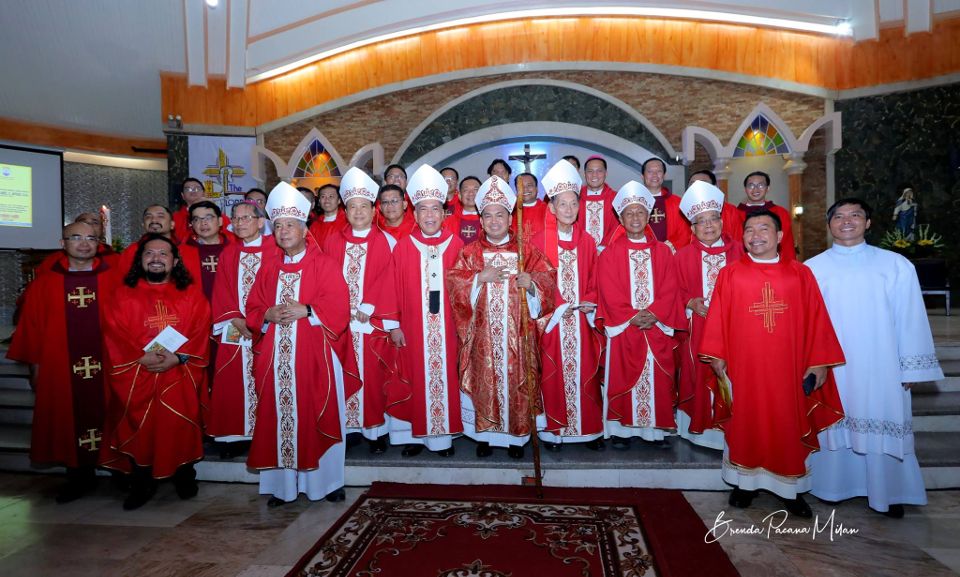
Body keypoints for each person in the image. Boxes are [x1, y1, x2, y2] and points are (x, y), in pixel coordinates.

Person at [698, 209, 845, 518]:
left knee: (785, 420)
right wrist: (718, 355)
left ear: (779, 236)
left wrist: (819, 363)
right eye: (749, 230)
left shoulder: (800, 273)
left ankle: (789, 490)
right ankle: (744, 484)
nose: (756, 235)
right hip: (744, 366)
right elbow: (718, 319)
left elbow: (817, 318)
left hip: (788, 368)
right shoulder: (731, 273)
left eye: (764, 229)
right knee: (746, 420)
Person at [807, 198, 943, 518]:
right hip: (835, 366)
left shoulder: (895, 264)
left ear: (868, 223)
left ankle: (888, 492)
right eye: (838, 216)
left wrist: (911, 364)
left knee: (879, 417)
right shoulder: (812, 269)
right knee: (835, 422)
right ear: (830, 225)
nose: (847, 221)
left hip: (881, 363)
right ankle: (832, 487)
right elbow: (807, 323)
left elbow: (910, 317)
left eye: (855, 215)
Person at [245, 182, 357, 506]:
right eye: (278, 226)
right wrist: (266, 313)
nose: (283, 231)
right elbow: (252, 310)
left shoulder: (324, 265)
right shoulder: (268, 269)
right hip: (276, 361)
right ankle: (283, 488)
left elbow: (339, 307)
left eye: (289, 225)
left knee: (319, 414)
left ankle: (329, 483)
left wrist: (307, 309)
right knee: (278, 417)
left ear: (304, 227)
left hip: (316, 358)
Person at [8, 222, 118, 503]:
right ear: (63, 242)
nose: (84, 243)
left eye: (91, 238)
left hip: (108, 365)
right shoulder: (44, 284)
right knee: (68, 419)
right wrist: (35, 367)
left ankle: (119, 473)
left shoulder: (114, 279)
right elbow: (32, 328)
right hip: (61, 367)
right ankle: (78, 477)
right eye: (76, 237)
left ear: (98, 243)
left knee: (113, 414)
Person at [448, 175, 557, 459]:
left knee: (517, 383)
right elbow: (455, 289)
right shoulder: (470, 253)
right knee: (484, 382)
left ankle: (516, 438)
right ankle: (484, 436)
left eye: (500, 215)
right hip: (481, 338)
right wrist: (477, 279)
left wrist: (531, 283)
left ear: (510, 219)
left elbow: (548, 282)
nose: (494, 221)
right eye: (488, 216)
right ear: (480, 221)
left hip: (517, 338)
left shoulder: (526, 251)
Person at [100, 234, 210, 510]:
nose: (157, 258)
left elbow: (200, 329)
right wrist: (140, 356)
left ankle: (185, 476)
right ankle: (142, 483)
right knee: (142, 428)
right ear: (140, 260)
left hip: (179, 372)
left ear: (174, 261)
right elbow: (113, 332)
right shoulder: (123, 294)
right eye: (150, 253)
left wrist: (178, 358)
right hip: (138, 373)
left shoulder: (191, 294)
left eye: (163, 254)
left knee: (180, 425)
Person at [596, 181, 684, 448]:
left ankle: (655, 430)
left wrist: (655, 314)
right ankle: (623, 430)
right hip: (625, 327)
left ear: (648, 216)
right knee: (623, 375)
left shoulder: (663, 252)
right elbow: (607, 289)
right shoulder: (610, 253)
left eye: (640, 213)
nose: (635, 218)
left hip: (656, 326)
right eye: (629, 213)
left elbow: (672, 287)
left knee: (657, 376)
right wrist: (631, 316)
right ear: (620, 218)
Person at [387, 164, 465, 457]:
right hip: (412, 326)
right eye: (423, 209)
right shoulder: (403, 247)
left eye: (436, 209)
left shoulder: (457, 245)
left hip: (447, 328)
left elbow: (466, 289)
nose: (430, 215)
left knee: (445, 377)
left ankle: (443, 438)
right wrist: (394, 324)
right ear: (414, 213)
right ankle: (412, 436)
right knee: (413, 375)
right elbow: (390, 288)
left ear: (444, 212)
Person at [324, 168, 400, 454]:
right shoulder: (333, 241)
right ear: (345, 210)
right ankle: (349, 428)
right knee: (342, 372)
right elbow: (324, 280)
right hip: (340, 323)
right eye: (352, 206)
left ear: (373, 209)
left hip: (372, 324)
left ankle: (375, 431)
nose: (358, 212)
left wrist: (369, 307)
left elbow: (391, 280)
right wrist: (339, 309)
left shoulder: (387, 242)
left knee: (374, 376)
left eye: (363, 206)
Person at [530, 160, 604, 451]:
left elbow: (594, 278)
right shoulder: (537, 241)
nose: (569, 209)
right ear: (551, 207)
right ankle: (554, 432)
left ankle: (588, 432)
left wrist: (591, 301)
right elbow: (535, 282)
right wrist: (559, 307)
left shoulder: (587, 241)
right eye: (563, 204)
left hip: (581, 322)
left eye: (574, 203)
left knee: (585, 372)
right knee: (552, 374)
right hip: (552, 321)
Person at [675, 180, 744, 450]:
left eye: (713, 219)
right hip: (697, 329)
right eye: (701, 221)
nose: (708, 226)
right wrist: (689, 302)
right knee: (697, 374)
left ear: (722, 221)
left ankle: (734, 428)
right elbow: (670, 292)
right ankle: (699, 430)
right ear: (692, 228)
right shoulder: (681, 256)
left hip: (735, 330)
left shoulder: (740, 252)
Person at [207, 201, 276, 457]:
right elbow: (222, 291)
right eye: (235, 218)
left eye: (246, 218)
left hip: (268, 327)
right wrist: (236, 319)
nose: (239, 223)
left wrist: (262, 320)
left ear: (260, 222)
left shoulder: (275, 250)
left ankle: (267, 432)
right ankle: (234, 436)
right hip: (236, 327)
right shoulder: (229, 253)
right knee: (233, 379)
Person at [119, 204, 202, 281]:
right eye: (148, 217)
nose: (154, 220)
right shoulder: (131, 251)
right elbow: (123, 283)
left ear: (172, 225)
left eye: (160, 216)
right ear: (143, 225)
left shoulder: (189, 252)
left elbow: (196, 284)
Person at [736, 171, 795, 260]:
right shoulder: (735, 214)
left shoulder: (780, 212)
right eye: (751, 185)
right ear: (745, 189)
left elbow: (786, 244)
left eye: (760, 185)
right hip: (741, 262)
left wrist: (788, 266)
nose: (755, 190)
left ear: (768, 188)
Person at [35, 212, 117, 275]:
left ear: (103, 229)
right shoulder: (54, 260)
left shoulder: (115, 258)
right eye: (83, 221)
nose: (88, 224)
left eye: (95, 222)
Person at [184, 200, 231, 300]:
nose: (203, 223)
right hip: (197, 310)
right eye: (196, 219)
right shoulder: (182, 252)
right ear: (191, 224)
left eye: (208, 218)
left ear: (220, 221)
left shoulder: (233, 249)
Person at [641, 157, 689, 250]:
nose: (655, 175)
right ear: (642, 176)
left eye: (659, 171)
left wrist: (671, 246)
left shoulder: (678, 203)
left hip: (670, 254)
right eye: (650, 171)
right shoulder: (633, 203)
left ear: (664, 175)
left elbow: (685, 233)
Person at [687, 169, 743, 242]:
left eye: (703, 184)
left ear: (714, 187)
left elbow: (737, 240)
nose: (697, 187)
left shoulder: (730, 211)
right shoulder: (683, 213)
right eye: (693, 184)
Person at [172, 177, 230, 243]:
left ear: (204, 193)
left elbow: (229, 238)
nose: (193, 191)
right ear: (183, 195)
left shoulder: (220, 217)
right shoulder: (175, 218)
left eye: (197, 188)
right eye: (188, 189)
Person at [578, 155, 618, 250]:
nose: (594, 175)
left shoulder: (616, 198)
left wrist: (602, 248)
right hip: (581, 251)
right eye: (590, 171)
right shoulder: (575, 198)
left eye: (599, 171)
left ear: (606, 173)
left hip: (608, 251)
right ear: (584, 174)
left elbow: (618, 229)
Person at [445, 176, 482, 245]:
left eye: (475, 189)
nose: (471, 193)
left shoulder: (489, 220)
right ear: (459, 196)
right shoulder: (448, 222)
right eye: (466, 190)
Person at [512, 172, 548, 243]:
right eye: (521, 186)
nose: (525, 189)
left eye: (529, 185)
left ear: (537, 188)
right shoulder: (510, 211)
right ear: (516, 190)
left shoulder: (548, 210)